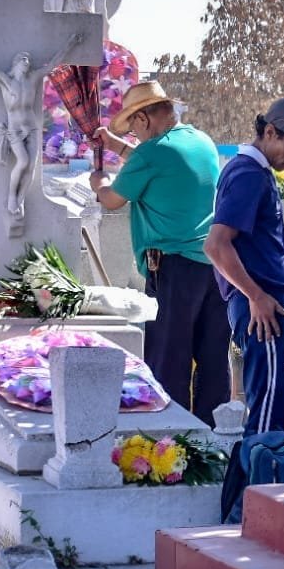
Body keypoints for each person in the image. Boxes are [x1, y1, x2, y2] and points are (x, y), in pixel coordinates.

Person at [90, 81, 230, 426]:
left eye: (134, 129)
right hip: (215, 266)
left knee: (170, 357)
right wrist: (115, 145)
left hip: (174, 268)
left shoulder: (151, 154)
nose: (134, 136)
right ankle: (215, 439)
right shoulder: (199, 140)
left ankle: (174, 436)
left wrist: (98, 183)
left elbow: (113, 200)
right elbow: (155, 161)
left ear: (143, 119)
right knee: (212, 357)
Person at [204, 97, 284, 437]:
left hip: (271, 302)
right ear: (270, 132)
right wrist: (256, 296)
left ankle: (278, 485)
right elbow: (216, 245)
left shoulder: (258, 173)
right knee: (270, 416)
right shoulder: (247, 174)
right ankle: (258, 486)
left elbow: (252, 243)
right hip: (261, 309)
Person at [0, 25, 87, 228]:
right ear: (15, 64)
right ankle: (12, 197)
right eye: (23, 59)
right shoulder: (5, 81)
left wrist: (71, 43)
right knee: (22, 162)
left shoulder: (32, 79)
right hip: (14, 130)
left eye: (28, 60)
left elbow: (54, 64)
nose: (27, 62)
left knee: (31, 167)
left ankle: (20, 200)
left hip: (31, 128)